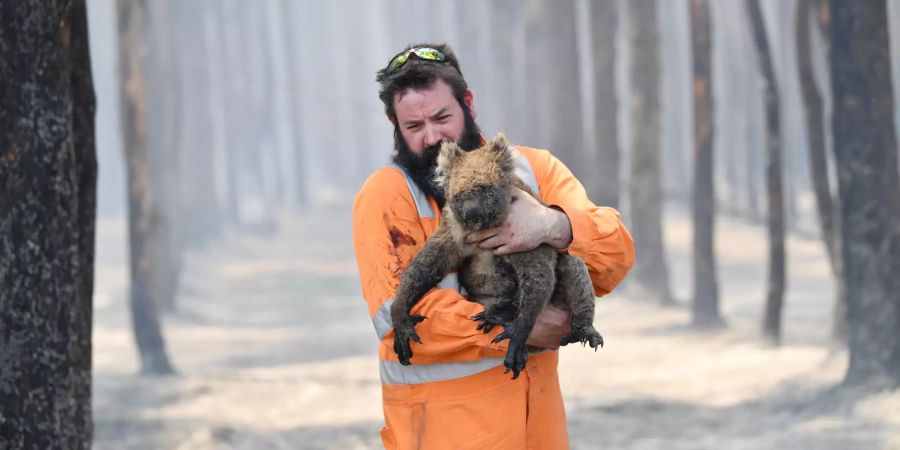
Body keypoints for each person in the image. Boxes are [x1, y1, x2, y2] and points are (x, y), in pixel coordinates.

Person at [352, 43, 634, 450]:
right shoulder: (387, 194)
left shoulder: (533, 170)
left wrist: (555, 225)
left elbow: (616, 255)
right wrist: (515, 327)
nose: (432, 136)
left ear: (468, 103)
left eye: (441, 117)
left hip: (538, 430)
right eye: (414, 126)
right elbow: (396, 311)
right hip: (440, 436)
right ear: (395, 125)